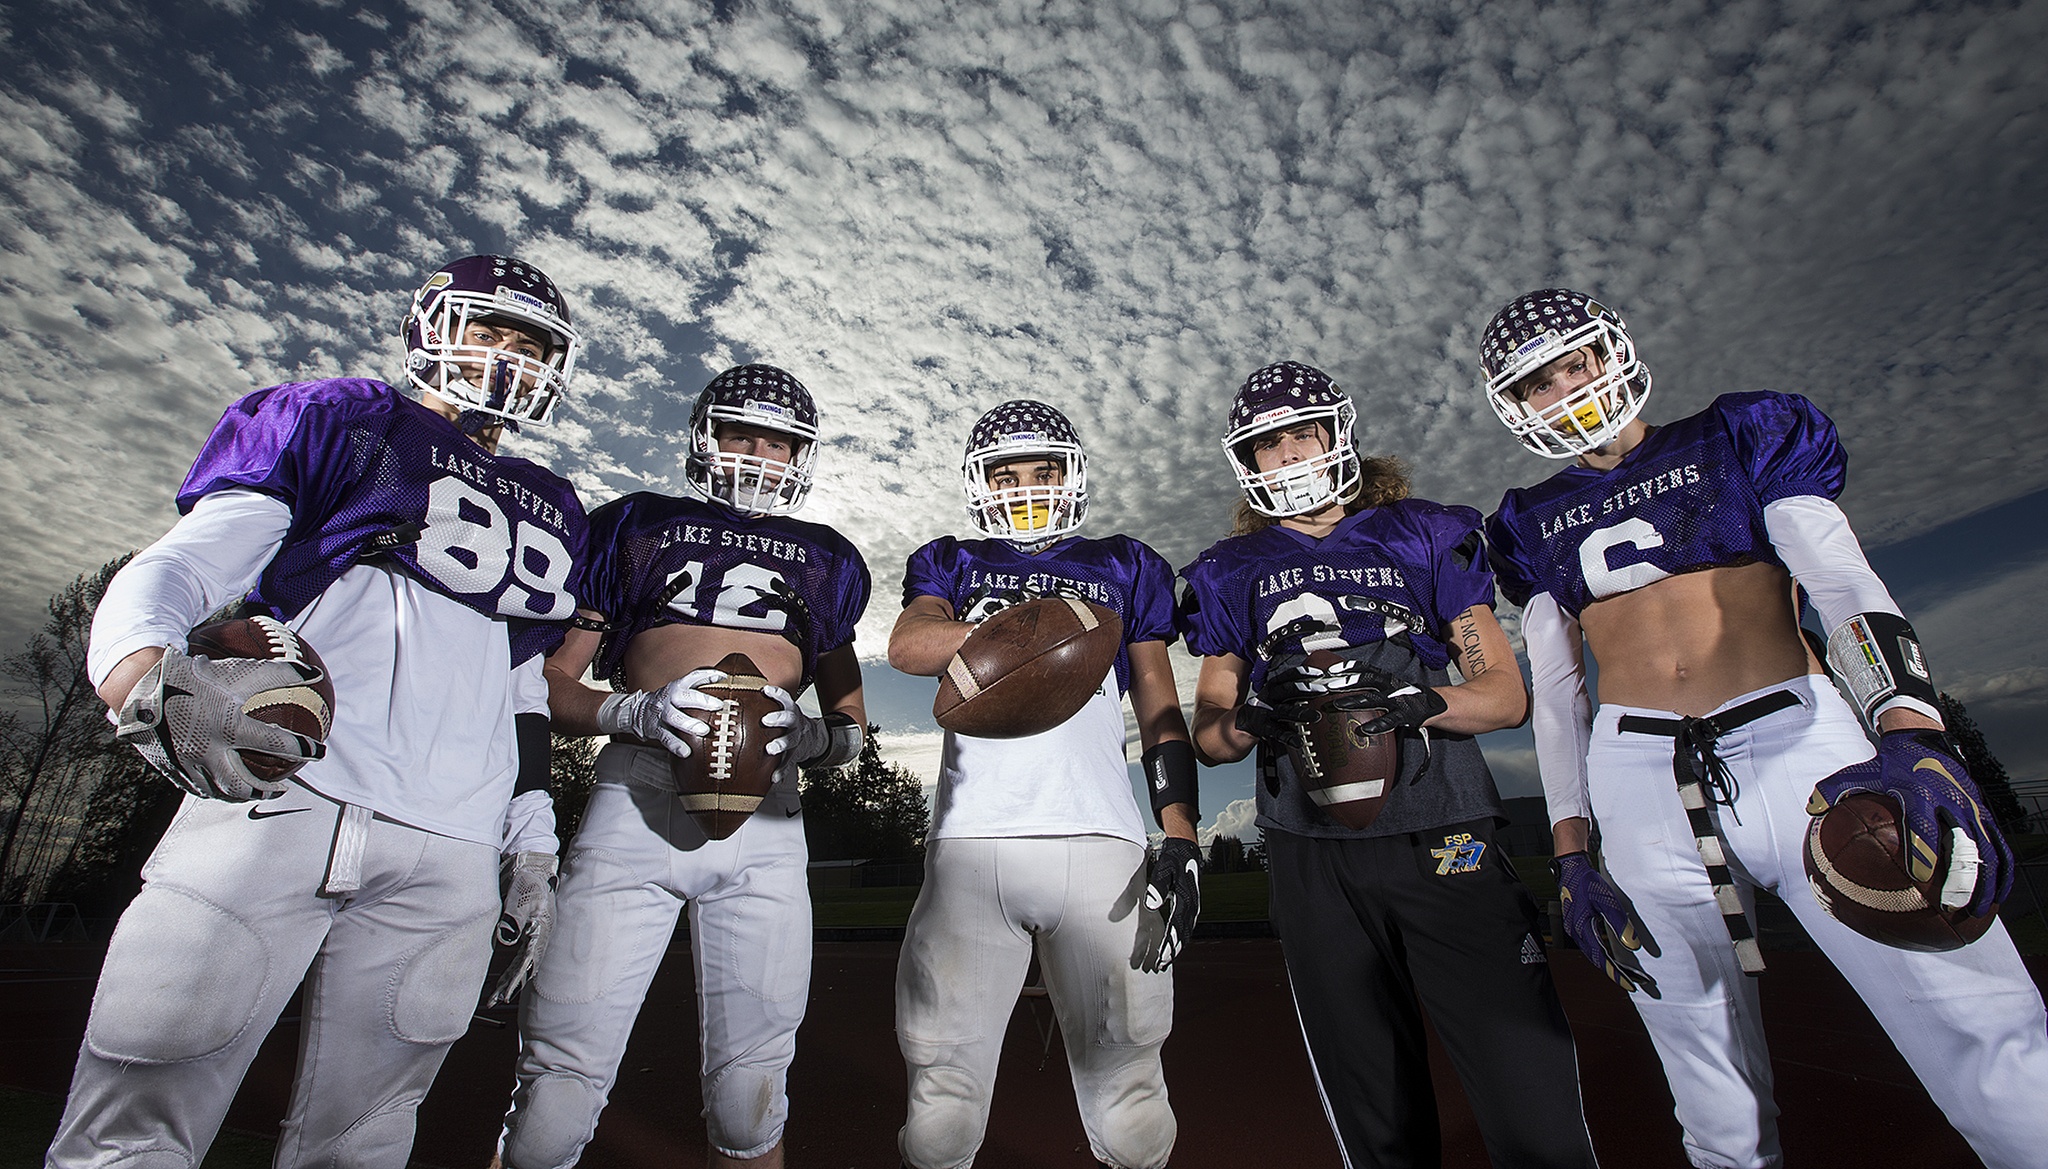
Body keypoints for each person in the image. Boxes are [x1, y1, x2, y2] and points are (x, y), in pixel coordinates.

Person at [1479, 287, 2048, 1169]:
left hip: (1800, 742)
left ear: (1609, 351)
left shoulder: (1739, 433)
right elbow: (1557, 696)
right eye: (1536, 385)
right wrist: (1572, 849)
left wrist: (1914, 733)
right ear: (1514, 409)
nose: (1565, 390)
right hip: (1637, 775)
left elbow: (1840, 577)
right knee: (1702, 1076)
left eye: (1573, 363)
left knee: (1982, 1023)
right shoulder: (1526, 519)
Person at [54, 255, 588, 1166]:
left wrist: (531, 842)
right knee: (137, 1114)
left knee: (368, 1140)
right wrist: (139, 669)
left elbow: (520, 688)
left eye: (529, 344)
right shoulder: (346, 416)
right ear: (431, 329)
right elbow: (188, 560)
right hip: (282, 797)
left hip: (453, 843)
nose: (507, 357)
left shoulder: (557, 505)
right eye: (488, 331)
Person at [1179, 361, 1600, 1168]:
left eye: (1305, 430)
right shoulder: (1231, 570)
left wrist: (1419, 703)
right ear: (1248, 461)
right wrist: (1252, 719)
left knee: (1525, 1077)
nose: (1293, 453)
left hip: (1444, 824)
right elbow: (1212, 733)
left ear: (1341, 433)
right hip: (1312, 846)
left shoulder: (1424, 531)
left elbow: (1505, 695)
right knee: (1371, 1101)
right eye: (1272, 442)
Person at [495, 363, 869, 1169]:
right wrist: (628, 711)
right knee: (555, 1097)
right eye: (744, 433)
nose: (760, 454)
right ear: (707, 437)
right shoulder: (635, 522)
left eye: (780, 441)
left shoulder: (827, 558)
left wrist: (813, 737)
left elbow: (852, 727)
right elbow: (549, 684)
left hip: (767, 815)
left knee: (751, 1101)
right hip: (637, 793)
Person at [887, 399, 1199, 1169]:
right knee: (941, 1113)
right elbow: (908, 643)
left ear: (1072, 475)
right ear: (980, 482)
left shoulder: (1124, 562)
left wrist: (1182, 831)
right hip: (970, 845)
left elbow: (1160, 708)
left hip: (1103, 840)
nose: (1027, 485)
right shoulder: (953, 562)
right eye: (1007, 472)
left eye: (1044, 469)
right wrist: (1040, 632)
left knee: (1132, 1109)